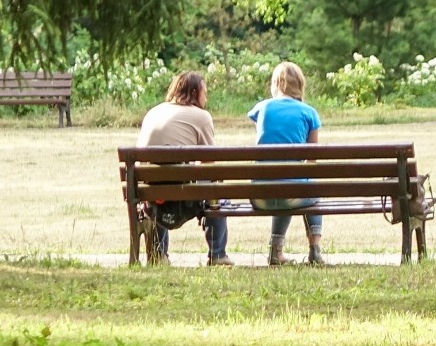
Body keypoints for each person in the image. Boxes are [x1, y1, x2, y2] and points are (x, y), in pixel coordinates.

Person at [137, 71, 232, 266]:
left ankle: (158, 255)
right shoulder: (201, 116)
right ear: (195, 92)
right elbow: (208, 164)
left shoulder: (154, 111)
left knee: (160, 185)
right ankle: (218, 254)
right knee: (215, 187)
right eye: (205, 92)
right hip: (181, 195)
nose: (207, 97)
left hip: (149, 191)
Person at [248, 61, 324, 266]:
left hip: (260, 195)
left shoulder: (261, 108)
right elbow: (312, 159)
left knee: (282, 184)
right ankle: (315, 250)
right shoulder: (309, 113)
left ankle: (275, 251)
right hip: (291, 195)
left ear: (275, 84)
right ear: (300, 85)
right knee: (305, 188)